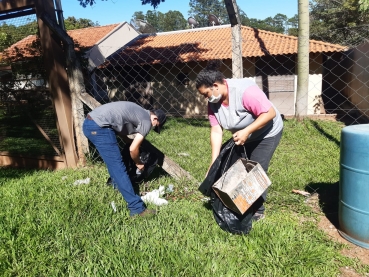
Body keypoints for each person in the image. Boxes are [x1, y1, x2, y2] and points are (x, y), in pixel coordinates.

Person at [196, 60, 283, 221]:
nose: (205, 99)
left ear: (215, 85)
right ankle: (236, 203)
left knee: (256, 169)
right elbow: (216, 130)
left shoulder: (245, 91)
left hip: (266, 132)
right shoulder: (214, 103)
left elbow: (269, 113)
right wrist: (213, 162)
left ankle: (257, 210)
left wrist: (247, 131)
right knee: (237, 168)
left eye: (205, 94)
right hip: (243, 135)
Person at [82, 101, 167, 217]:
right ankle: (137, 209)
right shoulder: (147, 121)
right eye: (155, 126)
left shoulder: (139, 112)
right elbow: (133, 149)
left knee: (114, 164)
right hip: (100, 127)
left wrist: (130, 141)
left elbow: (119, 127)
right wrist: (138, 163)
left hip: (90, 123)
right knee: (118, 167)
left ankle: (116, 186)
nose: (152, 127)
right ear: (155, 118)